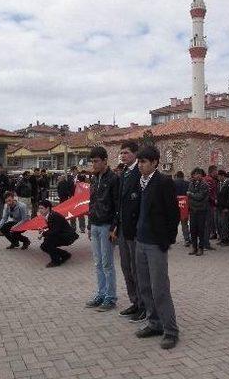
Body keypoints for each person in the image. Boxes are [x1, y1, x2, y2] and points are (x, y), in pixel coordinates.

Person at [133, 145, 180, 350]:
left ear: (154, 163)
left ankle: (170, 331)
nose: (140, 165)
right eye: (139, 162)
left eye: (143, 162)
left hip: (156, 244)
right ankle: (154, 323)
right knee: (144, 286)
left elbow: (173, 214)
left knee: (159, 288)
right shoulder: (139, 182)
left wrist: (167, 240)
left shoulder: (163, 182)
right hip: (140, 241)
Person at [111, 141, 145, 321]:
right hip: (123, 228)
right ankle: (134, 301)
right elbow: (120, 203)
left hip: (135, 230)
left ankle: (143, 305)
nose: (122, 156)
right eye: (121, 153)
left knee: (136, 268)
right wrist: (116, 225)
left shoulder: (139, 173)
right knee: (126, 267)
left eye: (126, 153)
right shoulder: (124, 173)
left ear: (135, 154)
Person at [85, 146, 119, 312]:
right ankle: (101, 293)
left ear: (105, 160)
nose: (94, 164)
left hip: (107, 226)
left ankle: (110, 297)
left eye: (96, 161)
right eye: (92, 161)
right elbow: (92, 203)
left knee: (107, 263)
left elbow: (117, 206)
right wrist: (89, 225)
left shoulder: (113, 179)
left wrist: (114, 227)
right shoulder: (94, 179)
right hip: (96, 224)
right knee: (98, 263)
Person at [39, 200, 79, 267]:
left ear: (48, 208)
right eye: (39, 208)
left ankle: (56, 261)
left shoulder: (54, 216)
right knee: (44, 245)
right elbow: (54, 229)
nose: (40, 210)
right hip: (61, 235)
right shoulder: (50, 215)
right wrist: (44, 231)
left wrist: (44, 233)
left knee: (48, 243)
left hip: (67, 237)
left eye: (41, 208)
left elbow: (55, 231)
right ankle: (65, 255)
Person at [187, 168, 209, 256]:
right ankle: (194, 247)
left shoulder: (204, 184)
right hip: (193, 210)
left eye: (199, 174)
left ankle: (201, 248)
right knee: (193, 229)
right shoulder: (191, 184)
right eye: (195, 174)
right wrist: (193, 197)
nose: (197, 175)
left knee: (201, 229)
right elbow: (188, 197)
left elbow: (201, 196)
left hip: (201, 210)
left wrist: (192, 195)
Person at [216, 170, 229, 246]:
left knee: (225, 224)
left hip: (226, 207)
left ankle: (226, 239)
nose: (218, 178)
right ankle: (222, 238)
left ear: (223, 176)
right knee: (220, 223)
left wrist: (227, 207)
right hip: (220, 207)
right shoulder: (219, 184)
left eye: (219, 176)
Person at [173, 171, 191, 247]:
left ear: (177, 176)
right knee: (184, 223)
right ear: (183, 176)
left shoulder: (173, 183)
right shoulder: (188, 183)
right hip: (185, 205)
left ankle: (172, 238)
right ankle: (187, 239)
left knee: (174, 224)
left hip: (175, 205)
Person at [204, 165, 218, 247]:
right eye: (216, 171)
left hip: (207, 204)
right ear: (212, 171)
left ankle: (205, 242)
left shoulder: (208, 179)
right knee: (207, 224)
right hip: (208, 204)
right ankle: (206, 243)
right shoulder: (209, 180)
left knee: (207, 224)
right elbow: (208, 193)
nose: (217, 172)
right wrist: (214, 200)